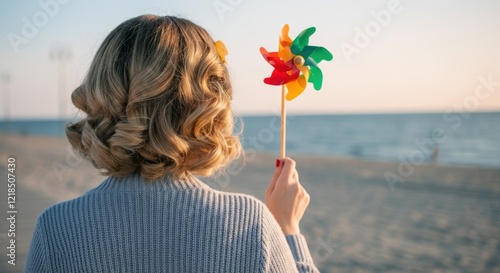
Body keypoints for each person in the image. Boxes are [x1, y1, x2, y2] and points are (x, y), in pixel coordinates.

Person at [25, 15, 319, 273]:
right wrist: (288, 229)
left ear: (101, 93)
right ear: (211, 102)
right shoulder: (252, 225)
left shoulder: (56, 229)